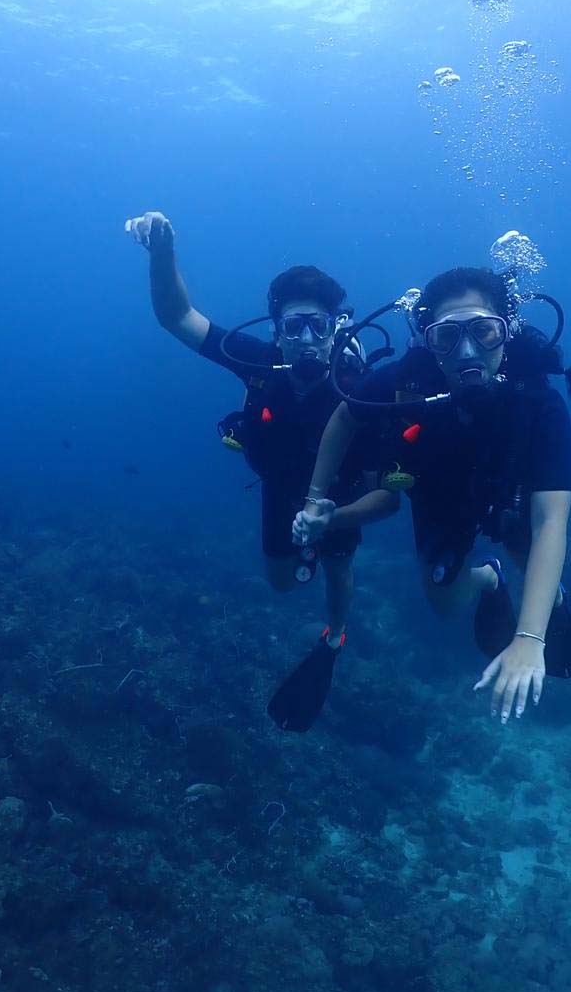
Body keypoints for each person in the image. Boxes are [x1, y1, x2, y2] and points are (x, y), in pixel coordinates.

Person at [128, 211, 398, 729]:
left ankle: (335, 635)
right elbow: (176, 316)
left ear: (335, 329)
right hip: (279, 485)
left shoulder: (359, 388)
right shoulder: (257, 361)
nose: (305, 338)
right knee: (280, 583)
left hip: (339, 500)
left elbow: (386, 497)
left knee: (338, 569)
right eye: (292, 326)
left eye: (317, 325)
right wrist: (163, 255)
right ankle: (306, 555)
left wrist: (332, 520)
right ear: (277, 332)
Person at [295, 264, 571, 725]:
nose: (467, 351)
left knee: (540, 583)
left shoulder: (538, 402)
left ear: (505, 333)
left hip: (510, 497)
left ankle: (548, 599)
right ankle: (490, 579)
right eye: (446, 337)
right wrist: (314, 499)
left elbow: (551, 520)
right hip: (440, 495)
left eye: (484, 331)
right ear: (427, 340)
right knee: (445, 604)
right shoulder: (404, 381)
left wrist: (530, 640)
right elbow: (345, 419)